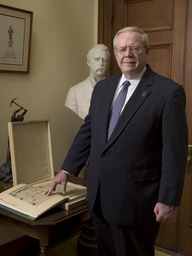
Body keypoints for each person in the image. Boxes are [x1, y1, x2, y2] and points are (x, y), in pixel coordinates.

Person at [44, 26, 188, 256]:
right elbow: (88, 131)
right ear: (115, 53)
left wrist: (168, 199)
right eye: (122, 49)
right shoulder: (103, 88)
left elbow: (175, 153)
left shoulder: (168, 93)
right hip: (100, 197)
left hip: (137, 202)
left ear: (147, 51)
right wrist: (66, 169)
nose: (127, 54)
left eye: (134, 48)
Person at [65, 44, 110, 119]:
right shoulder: (75, 92)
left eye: (104, 60)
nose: (101, 63)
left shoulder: (116, 90)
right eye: (97, 59)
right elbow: (70, 122)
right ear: (88, 62)